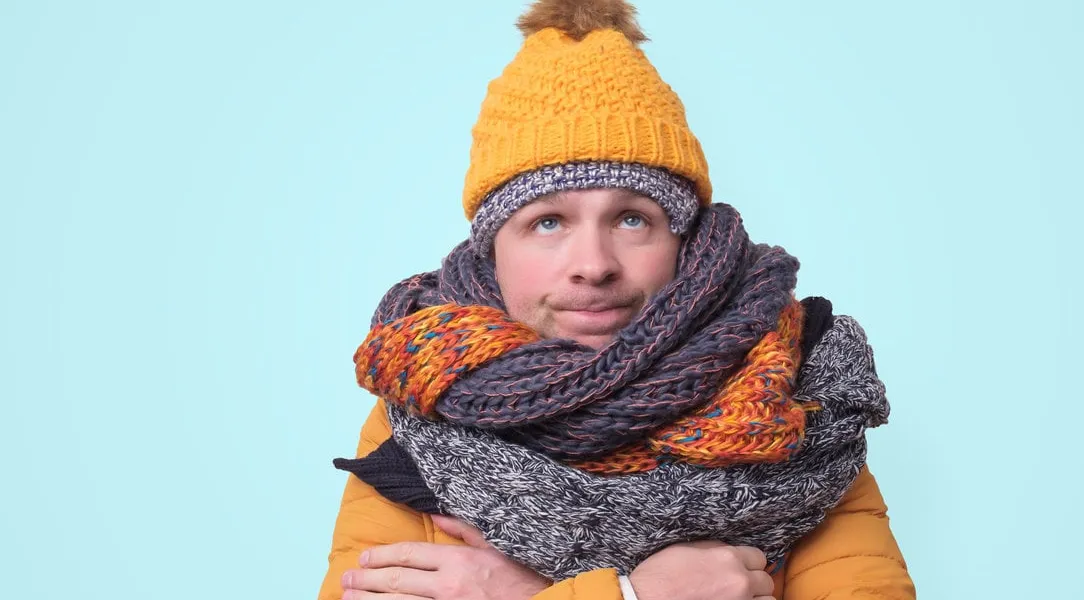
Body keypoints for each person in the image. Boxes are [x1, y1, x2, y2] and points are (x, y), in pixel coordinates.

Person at [318, 1, 915, 598]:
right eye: (547, 223)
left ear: (689, 243)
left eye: (632, 218)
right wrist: (632, 593)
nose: (594, 265)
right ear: (492, 249)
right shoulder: (428, 404)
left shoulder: (790, 396)